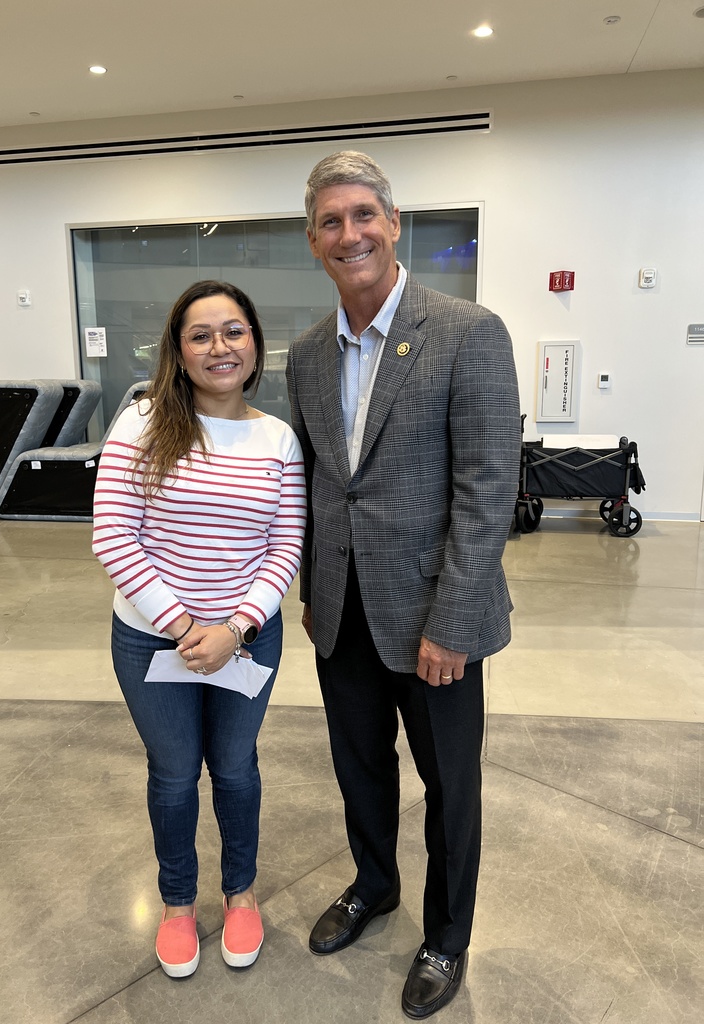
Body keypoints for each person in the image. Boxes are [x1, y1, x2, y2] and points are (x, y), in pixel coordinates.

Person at [286, 152, 520, 1019]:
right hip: (342, 615)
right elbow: (318, 484)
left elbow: (487, 488)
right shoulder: (307, 356)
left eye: (362, 215)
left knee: (451, 788)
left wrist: (453, 622)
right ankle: (373, 886)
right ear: (314, 243)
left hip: (435, 621)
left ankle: (446, 936)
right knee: (359, 772)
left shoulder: (467, 331)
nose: (350, 234)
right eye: (331, 222)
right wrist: (314, 589)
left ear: (392, 223)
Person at [93, 280, 306, 978]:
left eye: (234, 331)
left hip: (248, 637)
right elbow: (115, 538)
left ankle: (239, 893)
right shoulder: (143, 423)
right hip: (154, 639)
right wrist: (190, 627)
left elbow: (286, 544)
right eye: (201, 334)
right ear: (178, 352)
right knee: (176, 775)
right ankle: (179, 903)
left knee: (238, 770)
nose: (220, 346)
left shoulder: (277, 437)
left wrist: (236, 628)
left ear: (255, 345)